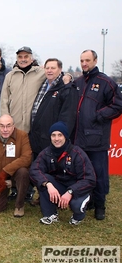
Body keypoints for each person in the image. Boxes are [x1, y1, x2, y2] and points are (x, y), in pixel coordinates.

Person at [72, 49, 122, 220]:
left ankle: (100, 205)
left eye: (87, 60)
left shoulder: (106, 82)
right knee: (82, 173)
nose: (84, 63)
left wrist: (98, 115)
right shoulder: (78, 82)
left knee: (99, 174)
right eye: (81, 61)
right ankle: (88, 200)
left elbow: (117, 105)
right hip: (78, 139)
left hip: (97, 139)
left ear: (95, 60)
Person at [30, 121, 96, 225]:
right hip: (60, 185)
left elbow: (90, 179)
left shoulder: (77, 153)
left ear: (65, 136)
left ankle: (78, 215)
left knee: (76, 204)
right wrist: (48, 184)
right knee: (44, 180)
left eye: (60, 135)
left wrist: (71, 192)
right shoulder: (46, 152)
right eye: (53, 135)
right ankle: (50, 214)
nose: (56, 139)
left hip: (77, 188)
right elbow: (34, 169)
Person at [0, 114, 32, 217]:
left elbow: (27, 157)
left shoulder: (23, 136)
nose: (5, 129)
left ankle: (19, 205)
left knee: (23, 172)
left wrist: (6, 172)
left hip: (15, 174)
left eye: (8, 126)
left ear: (14, 126)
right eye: (2, 126)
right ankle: (5, 189)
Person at [29, 58, 78, 159]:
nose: (49, 70)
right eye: (47, 68)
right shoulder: (43, 84)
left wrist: (59, 138)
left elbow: (68, 116)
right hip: (37, 138)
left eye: (53, 68)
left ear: (60, 70)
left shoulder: (66, 88)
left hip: (52, 139)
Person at [0, 46, 45, 133]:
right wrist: (6, 122)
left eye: (26, 56)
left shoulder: (41, 73)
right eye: (20, 57)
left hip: (33, 127)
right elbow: (4, 101)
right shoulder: (10, 76)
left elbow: (56, 75)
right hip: (15, 126)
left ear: (31, 58)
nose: (23, 59)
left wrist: (68, 76)